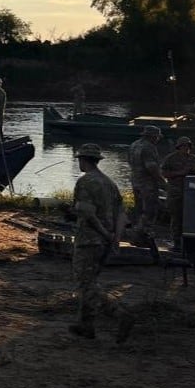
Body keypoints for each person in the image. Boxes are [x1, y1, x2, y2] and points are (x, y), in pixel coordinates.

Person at [69, 143, 135, 343]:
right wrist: (115, 238)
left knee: (86, 284)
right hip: (104, 243)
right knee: (90, 281)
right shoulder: (109, 183)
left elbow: (88, 214)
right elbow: (122, 215)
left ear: (83, 160)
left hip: (89, 240)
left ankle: (120, 314)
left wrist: (105, 233)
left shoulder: (86, 182)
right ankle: (85, 325)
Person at [161, 136, 195, 250]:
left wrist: (194, 174)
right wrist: (180, 173)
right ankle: (176, 242)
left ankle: (189, 242)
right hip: (175, 193)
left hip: (191, 194)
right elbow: (164, 173)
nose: (185, 148)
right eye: (183, 146)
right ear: (178, 147)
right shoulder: (170, 159)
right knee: (176, 218)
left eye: (187, 146)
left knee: (190, 218)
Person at [128, 125, 165, 233]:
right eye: (157, 137)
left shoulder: (134, 145)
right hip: (148, 185)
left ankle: (136, 233)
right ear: (153, 136)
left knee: (139, 210)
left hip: (135, 182)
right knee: (149, 211)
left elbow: (130, 162)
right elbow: (151, 167)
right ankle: (146, 235)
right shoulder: (149, 147)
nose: (158, 139)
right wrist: (163, 182)